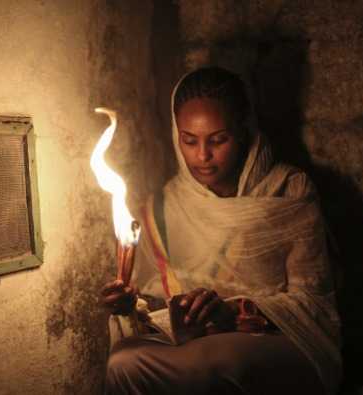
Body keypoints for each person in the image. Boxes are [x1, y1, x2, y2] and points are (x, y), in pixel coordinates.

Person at [100, 67, 342, 395]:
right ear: (176, 135)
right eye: (189, 140)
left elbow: (313, 303)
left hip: (277, 341)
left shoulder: (286, 191)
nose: (203, 156)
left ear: (244, 131)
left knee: (219, 361)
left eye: (218, 140)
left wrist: (232, 311)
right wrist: (133, 306)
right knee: (123, 362)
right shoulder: (163, 206)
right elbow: (157, 302)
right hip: (191, 344)